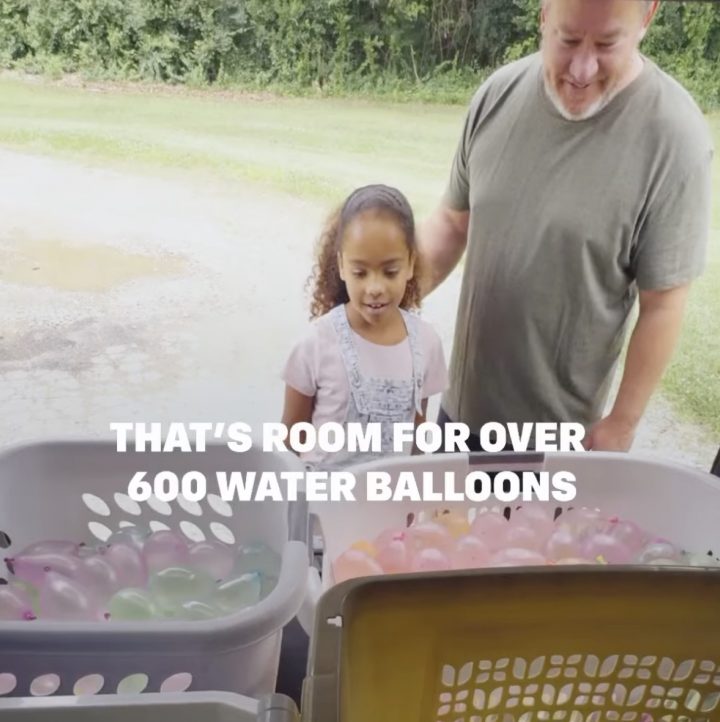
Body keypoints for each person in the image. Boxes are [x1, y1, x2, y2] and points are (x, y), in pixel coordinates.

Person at [418, 0, 713, 452]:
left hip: (558, 443)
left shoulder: (674, 138)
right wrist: (367, 308)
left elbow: (664, 303)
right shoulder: (497, 94)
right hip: (457, 419)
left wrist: (623, 423)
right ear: (543, 14)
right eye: (568, 39)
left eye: (606, 43)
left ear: (647, 15)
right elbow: (451, 224)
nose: (582, 67)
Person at [282, 184, 448, 469]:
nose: (374, 287)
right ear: (342, 267)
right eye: (360, 272)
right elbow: (290, 442)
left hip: (390, 506)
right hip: (324, 504)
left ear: (410, 263)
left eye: (390, 271)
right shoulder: (317, 343)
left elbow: (419, 440)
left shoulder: (427, 343)